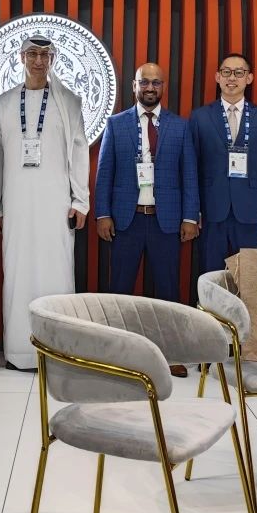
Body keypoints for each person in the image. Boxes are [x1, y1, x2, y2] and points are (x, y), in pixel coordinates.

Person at [96, 61, 199, 377]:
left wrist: (190, 217)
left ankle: (171, 355)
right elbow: (104, 173)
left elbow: (189, 175)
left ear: (163, 86)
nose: (150, 88)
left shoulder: (180, 126)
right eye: (144, 82)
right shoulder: (116, 124)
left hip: (165, 222)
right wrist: (103, 214)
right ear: (134, 86)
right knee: (119, 291)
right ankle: (115, 356)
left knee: (168, 292)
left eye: (156, 82)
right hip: (125, 222)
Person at [0, 35, 90, 370]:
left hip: (56, 204)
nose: (38, 61)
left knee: (56, 273)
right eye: (32, 54)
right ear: (21, 58)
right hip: (17, 203)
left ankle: (57, 352)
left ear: (52, 60)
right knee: (17, 273)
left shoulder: (69, 101)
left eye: (45, 55)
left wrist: (80, 200)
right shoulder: (4, 103)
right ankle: (19, 352)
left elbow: (79, 151)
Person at [188, 51, 257, 275]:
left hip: (251, 211)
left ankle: (248, 302)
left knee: (249, 277)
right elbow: (192, 167)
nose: (232, 78)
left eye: (239, 73)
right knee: (212, 276)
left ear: (249, 78)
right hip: (211, 211)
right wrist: (192, 211)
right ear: (217, 77)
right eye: (226, 72)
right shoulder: (200, 117)